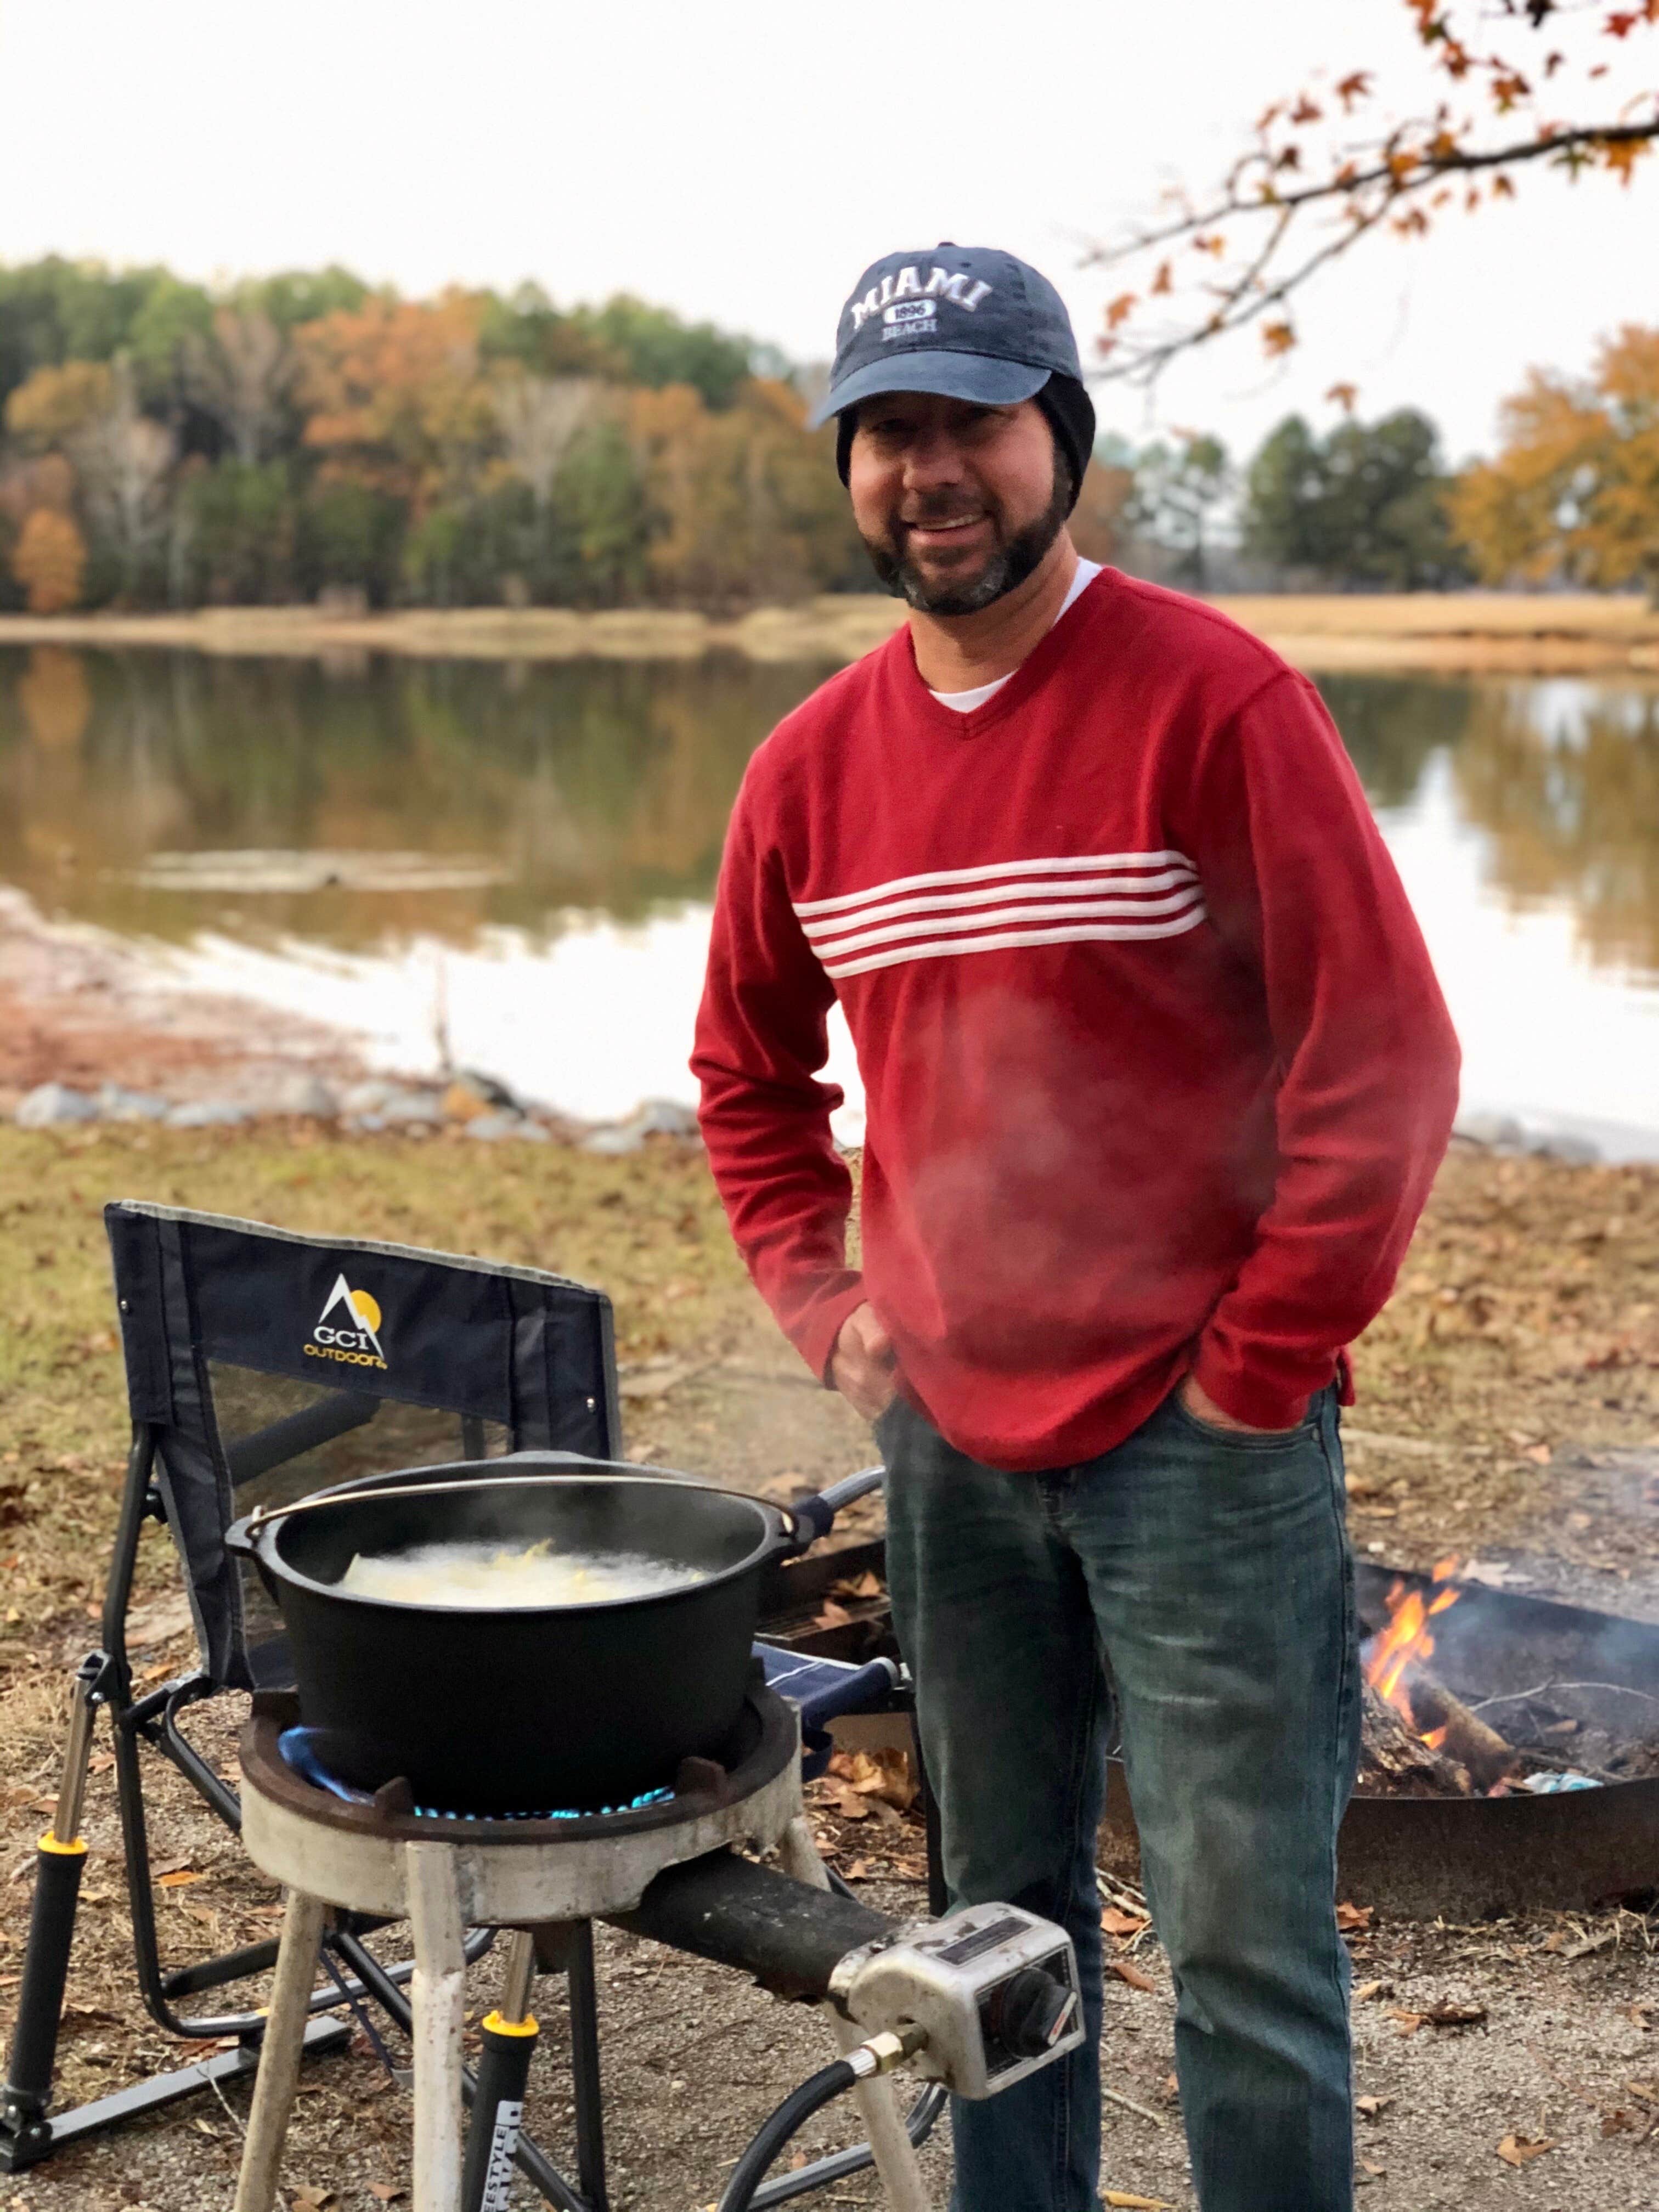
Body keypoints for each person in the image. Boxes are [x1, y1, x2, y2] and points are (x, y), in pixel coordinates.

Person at [692, 243, 1460, 2212]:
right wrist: (827, 1306)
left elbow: (1379, 1066)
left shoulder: (1216, 703)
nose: (928, 471)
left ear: (1063, 440)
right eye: (887, 433)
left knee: (1248, 1950)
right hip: (946, 1443)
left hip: (1203, 1451)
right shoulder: (809, 768)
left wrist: (1255, 1370)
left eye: (971, 422)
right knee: (990, 1934)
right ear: (848, 469)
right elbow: (751, 1081)